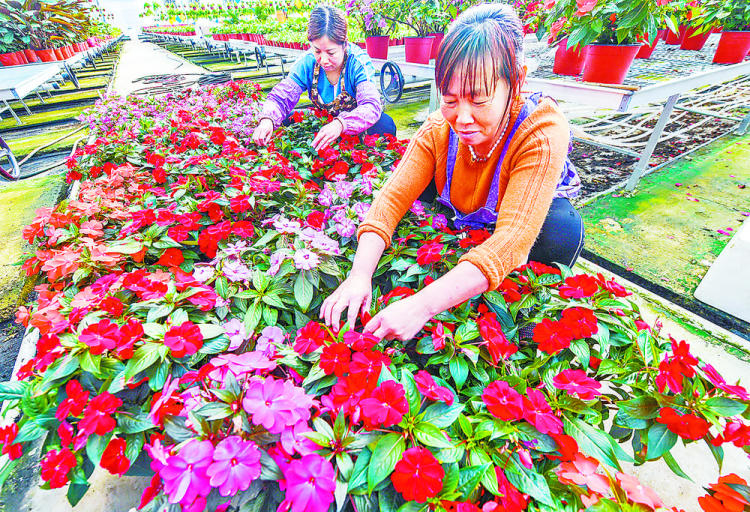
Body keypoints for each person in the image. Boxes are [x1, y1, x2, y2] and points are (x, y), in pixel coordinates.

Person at [320, 3, 583, 340]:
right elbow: (391, 200)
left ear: (516, 81)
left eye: (479, 100)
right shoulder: (438, 129)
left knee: (560, 229)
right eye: (450, 99)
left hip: (522, 216)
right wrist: (359, 276)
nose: (463, 118)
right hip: (460, 207)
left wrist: (421, 306)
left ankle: (529, 314)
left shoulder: (541, 130)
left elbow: (514, 238)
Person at [251, 6, 396, 152]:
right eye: (317, 51)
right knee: (285, 118)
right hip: (324, 123)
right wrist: (267, 120)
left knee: (384, 125)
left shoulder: (358, 63)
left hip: (354, 126)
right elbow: (280, 97)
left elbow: (371, 105)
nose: (324, 60)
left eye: (331, 53)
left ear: (344, 44)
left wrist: (341, 124)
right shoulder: (307, 62)